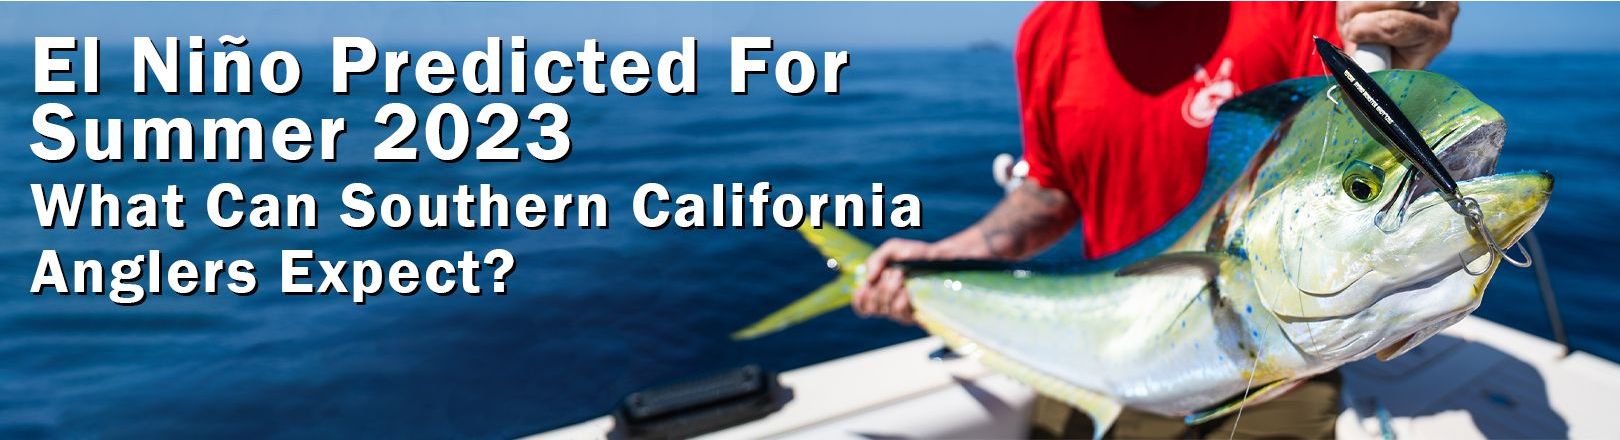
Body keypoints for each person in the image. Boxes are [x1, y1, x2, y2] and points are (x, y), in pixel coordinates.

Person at [851, 2, 1458, 438]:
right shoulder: (1047, 29)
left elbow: (1362, 106)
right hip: (1107, 342)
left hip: (1273, 361)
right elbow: (1051, 191)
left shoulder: (1292, 8)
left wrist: (1403, 42)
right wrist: (952, 255)